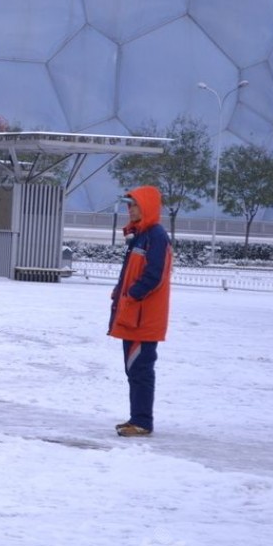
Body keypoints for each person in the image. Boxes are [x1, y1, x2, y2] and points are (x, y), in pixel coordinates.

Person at [108, 185, 173, 437]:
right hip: (132, 315)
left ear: (146, 206)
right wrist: (120, 294)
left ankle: (143, 421)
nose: (130, 208)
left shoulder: (155, 236)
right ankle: (137, 418)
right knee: (133, 369)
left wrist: (132, 294)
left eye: (134, 204)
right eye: (129, 204)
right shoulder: (140, 235)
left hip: (143, 318)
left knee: (141, 369)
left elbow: (154, 275)